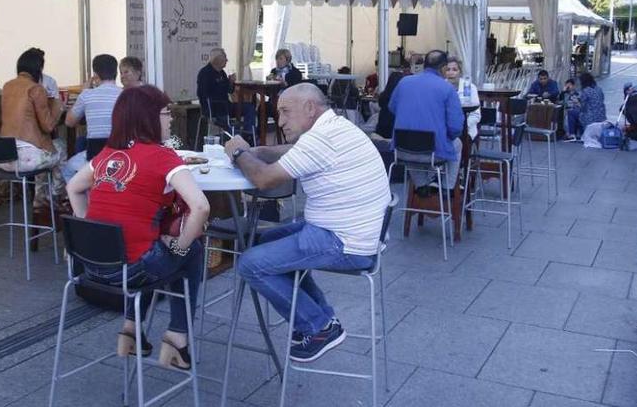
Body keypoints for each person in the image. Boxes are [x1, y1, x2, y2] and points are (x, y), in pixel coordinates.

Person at [221, 83, 390, 362]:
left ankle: (317, 327)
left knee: (250, 263)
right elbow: (289, 151)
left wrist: (239, 154)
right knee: (265, 242)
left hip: (345, 243)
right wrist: (258, 151)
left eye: (286, 111)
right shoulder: (334, 128)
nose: (281, 120)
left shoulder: (320, 140)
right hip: (355, 232)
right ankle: (323, 318)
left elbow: (263, 180)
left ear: (310, 108)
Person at [67, 85, 209, 368]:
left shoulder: (108, 153)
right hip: (131, 270)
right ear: (149, 118)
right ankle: (177, 338)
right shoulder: (162, 156)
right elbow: (201, 207)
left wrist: (89, 229)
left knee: (146, 249)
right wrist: (179, 247)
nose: (170, 120)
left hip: (90, 267)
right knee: (190, 253)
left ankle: (131, 331)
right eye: (166, 113)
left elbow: (74, 187)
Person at [389, 50, 465, 197]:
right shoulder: (447, 88)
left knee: (412, 144)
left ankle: (421, 185)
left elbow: (392, 107)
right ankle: (447, 187)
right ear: (443, 68)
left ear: (424, 65)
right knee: (457, 144)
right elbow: (455, 128)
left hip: (401, 151)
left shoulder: (404, 82)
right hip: (431, 153)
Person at [0, 49, 66, 207]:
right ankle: (55, 196)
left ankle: (39, 196)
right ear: (39, 69)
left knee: (44, 152)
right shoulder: (36, 89)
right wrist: (58, 106)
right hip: (26, 160)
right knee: (60, 147)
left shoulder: (7, 86)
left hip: (4, 157)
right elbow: (48, 126)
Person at [61, 55, 122, 182]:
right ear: (116, 73)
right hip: (122, 154)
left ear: (95, 75)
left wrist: (83, 91)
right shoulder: (126, 94)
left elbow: (69, 122)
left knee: (67, 170)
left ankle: (82, 200)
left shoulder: (87, 95)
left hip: (95, 156)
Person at [196, 48, 256, 131]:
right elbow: (202, 94)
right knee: (232, 124)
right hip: (214, 109)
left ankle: (249, 135)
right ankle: (235, 137)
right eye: (225, 57)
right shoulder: (205, 73)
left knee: (249, 107)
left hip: (226, 106)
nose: (227, 60)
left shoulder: (222, 73)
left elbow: (230, 91)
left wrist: (231, 82)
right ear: (217, 59)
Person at [442, 56, 480, 142]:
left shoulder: (470, 87)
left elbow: (476, 114)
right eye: (448, 70)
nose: (451, 73)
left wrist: (462, 126)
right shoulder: (441, 86)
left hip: (466, 129)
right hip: (444, 129)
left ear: (460, 72)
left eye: (454, 70)